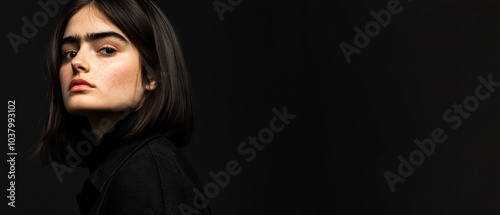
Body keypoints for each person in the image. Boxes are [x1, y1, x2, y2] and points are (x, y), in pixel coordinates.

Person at [31, 0, 212, 214]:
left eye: (106, 50)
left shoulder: (148, 173)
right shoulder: (122, 169)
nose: (77, 62)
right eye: (69, 53)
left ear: (151, 76)